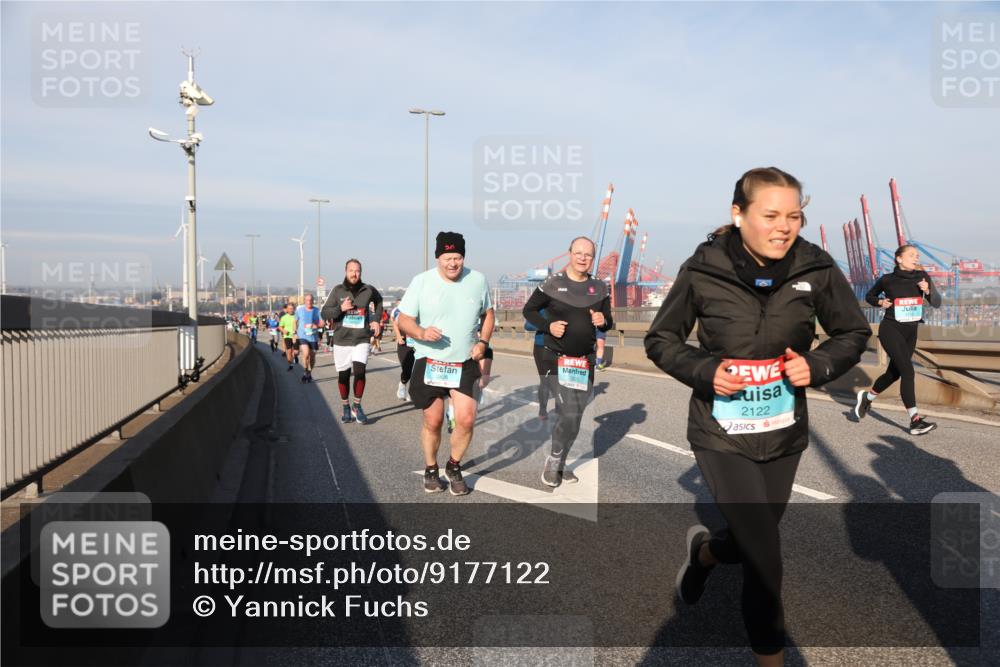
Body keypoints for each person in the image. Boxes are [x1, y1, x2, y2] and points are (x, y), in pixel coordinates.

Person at [644, 167, 870, 666]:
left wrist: (817, 363)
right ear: (738, 214)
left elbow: (852, 334)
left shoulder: (816, 268)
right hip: (721, 431)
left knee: (754, 539)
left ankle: (705, 553)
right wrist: (705, 370)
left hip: (783, 429)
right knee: (766, 556)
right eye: (770, 215)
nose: (784, 226)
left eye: (794, 216)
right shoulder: (703, 269)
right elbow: (660, 340)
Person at [397, 231, 493, 496]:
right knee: (433, 419)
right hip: (429, 361)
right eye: (448, 257)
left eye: (458, 257)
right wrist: (420, 332)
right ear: (438, 257)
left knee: (466, 419)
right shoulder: (421, 282)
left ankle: (453, 465)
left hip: (464, 362)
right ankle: (431, 469)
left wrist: (483, 342)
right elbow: (403, 320)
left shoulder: (478, 280)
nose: (453, 263)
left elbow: (488, 315)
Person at [524, 236, 613, 487]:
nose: (583, 258)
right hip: (555, 357)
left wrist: (602, 321)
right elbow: (529, 310)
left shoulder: (600, 287)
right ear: (569, 254)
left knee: (576, 415)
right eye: (578, 253)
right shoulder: (553, 283)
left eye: (588, 255)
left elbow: (609, 320)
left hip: (584, 362)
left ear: (593, 258)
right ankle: (553, 462)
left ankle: (560, 462)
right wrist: (548, 325)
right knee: (567, 412)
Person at [855, 245, 942, 434]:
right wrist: (880, 302)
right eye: (911, 255)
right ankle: (915, 421)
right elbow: (869, 296)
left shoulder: (923, 277)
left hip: (911, 332)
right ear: (899, 258)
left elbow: (937, 303)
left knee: (893, 374)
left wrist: (927, 291)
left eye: (917, 255)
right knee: (908, 371)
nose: (916, 258)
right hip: (891, 329)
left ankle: (867, 399)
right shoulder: (887, 280)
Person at [321, 259, 384, 424]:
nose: (354, 274)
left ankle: (357, 405)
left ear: (360, 272)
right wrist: (340, 309)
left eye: (357, 271)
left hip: (361, 338)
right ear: (345, 271)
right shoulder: (337, 290)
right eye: (351, 270)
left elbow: (379, 302)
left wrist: (376, 320)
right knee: (343, 376)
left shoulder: (368, 289)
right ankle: (346, 407)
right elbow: (324, 313)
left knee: (360, 371)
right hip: (342, 339)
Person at [524, 309, 553, 419]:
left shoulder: (564, 302)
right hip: (542, 347)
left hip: (561, 347)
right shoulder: (540, 306)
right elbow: (527, 325)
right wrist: (546, 324)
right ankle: (543, 409)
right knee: (545, 380)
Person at [295, 294, 322, 383]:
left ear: (312, 301)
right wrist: (294, 333)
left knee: (312, 357)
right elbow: (294, 321)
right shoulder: (300, 310)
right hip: (302, 335)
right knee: (306, 354)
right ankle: (305, 371)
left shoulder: (317, 311)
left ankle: (309, 373)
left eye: (310, 300)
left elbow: (322, 323)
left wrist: (316, 325)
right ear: (304, 301)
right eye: (307, 300)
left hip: (313, 337)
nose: (309, 302)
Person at [392, 306, 415, 402]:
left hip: (420, 342)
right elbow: (395, 322)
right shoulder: (401, 309)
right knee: (407, 368)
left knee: (418, 369)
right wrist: (398, 336)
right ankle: (403, 384)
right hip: (405, 342)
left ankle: (412, 391)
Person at [278, 303, 297, 371]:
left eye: (292, 308)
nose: (291, 310)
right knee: (289, 351)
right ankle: (290, 364)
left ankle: (295, 356)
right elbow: (280, 327)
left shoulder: (297, 316)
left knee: (296, 351)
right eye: (289, 309)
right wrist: (283, 330)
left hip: (295, 336)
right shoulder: (284, 317)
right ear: (287, 309)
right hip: (287, 336)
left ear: (294, 309)